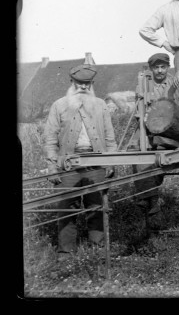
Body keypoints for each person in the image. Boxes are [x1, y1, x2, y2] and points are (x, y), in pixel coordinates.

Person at [43, 64, 117, 260]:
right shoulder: (59, 105)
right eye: (79, 83)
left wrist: (110, 162)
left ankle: (98, 249)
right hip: (68, 166)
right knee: (67, 209)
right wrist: (52, 167)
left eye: (87, 84)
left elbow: (110, 137)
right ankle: (65, 252)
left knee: (97, 208)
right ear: (72, 83)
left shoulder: (100, 105)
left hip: (96, 165)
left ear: (91, 84)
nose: (83, 87)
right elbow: (50, 138)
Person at [130, 53, 178, 223]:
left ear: (168, 67)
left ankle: (147, 197)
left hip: (170, 129)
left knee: (159, 157)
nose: (159, 71)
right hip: (147, 125)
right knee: (136, 150)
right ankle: (151, 200)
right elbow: (139, 109)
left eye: (163, 67)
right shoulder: (143, 83)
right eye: (156, 67)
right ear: (151, 69)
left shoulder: (175, 82)